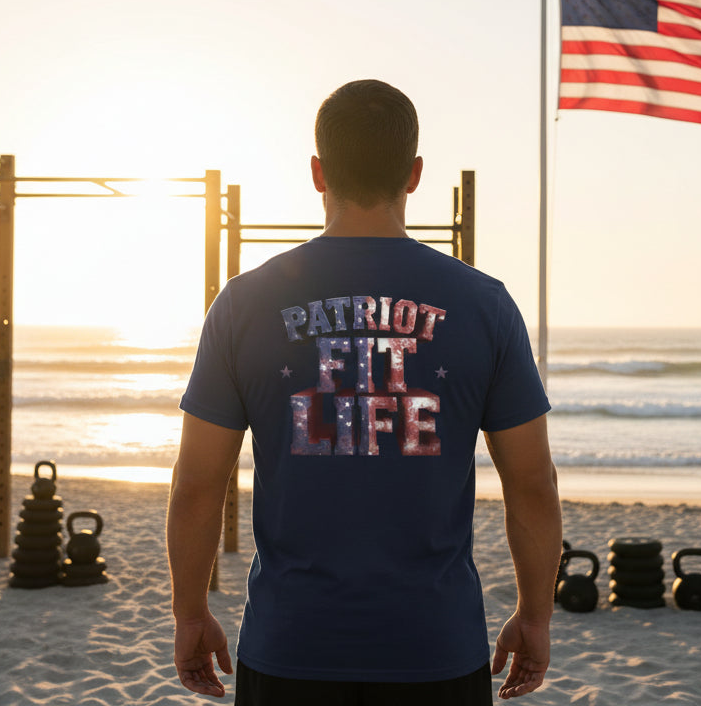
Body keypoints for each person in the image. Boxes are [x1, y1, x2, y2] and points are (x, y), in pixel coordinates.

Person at [167, 79, 562, 703]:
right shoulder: (485, 305)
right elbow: (533, 482)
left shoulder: (245, 303)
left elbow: (197, 482)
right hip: (437, 649)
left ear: (319, 173)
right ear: (414, 174)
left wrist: (190, 612)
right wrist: (534, 616)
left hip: (290, 647)